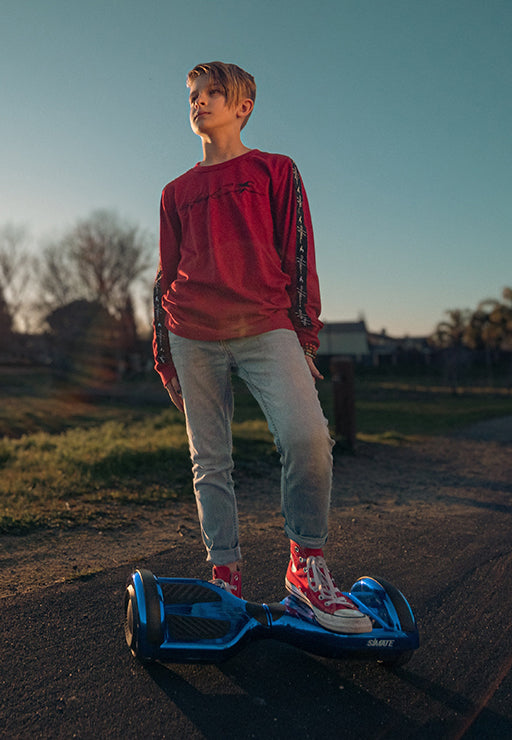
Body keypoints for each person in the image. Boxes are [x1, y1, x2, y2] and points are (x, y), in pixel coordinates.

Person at [152, 61, 370, 634]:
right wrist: (163, 351)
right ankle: (225, 577)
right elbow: (164, 275)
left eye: (212, 94)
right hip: (191, 333)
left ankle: (307, 568)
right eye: (193, 95)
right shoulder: (175, 192)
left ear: (243, 106)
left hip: (265, 324)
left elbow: (298, 254)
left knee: (308, 437)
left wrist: (304, 336)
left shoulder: (275, 170)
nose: (199, 102)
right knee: (211, 459)